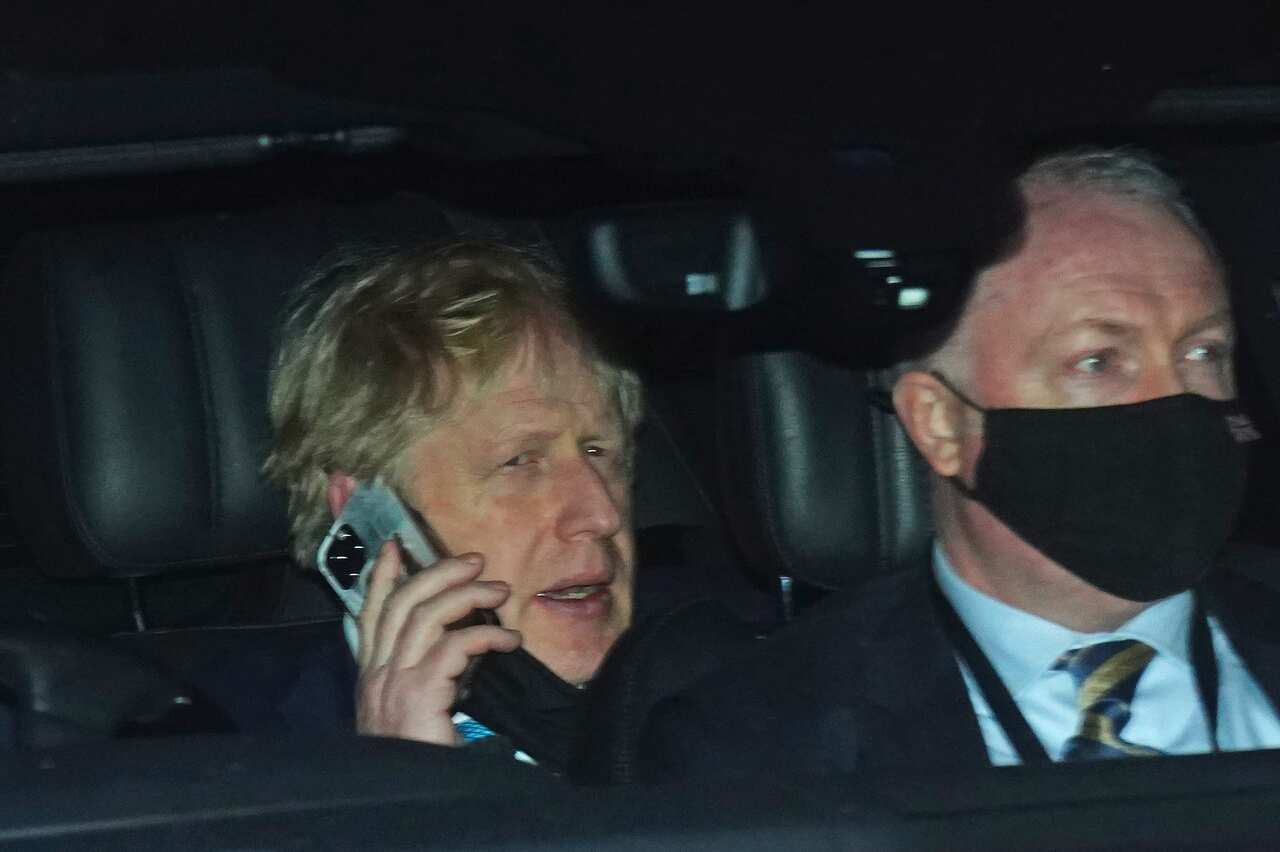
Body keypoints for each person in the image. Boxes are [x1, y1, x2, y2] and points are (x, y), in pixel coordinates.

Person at [635, 149, 1280, 778]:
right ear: (940, 423)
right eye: (1098, 363)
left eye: (1203, 354)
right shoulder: (756, 751)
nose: (1176, 406)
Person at [264, 240, 643, 768]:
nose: (600, 515)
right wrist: (407, 786)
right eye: (519, 461)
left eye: (600, 451)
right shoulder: (245, 767)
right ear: (371, 518)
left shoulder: (732, 686)